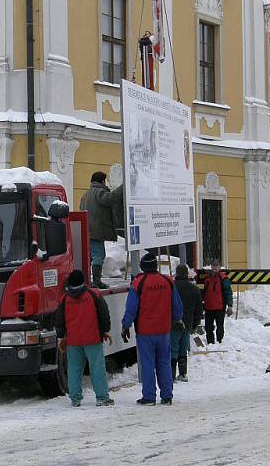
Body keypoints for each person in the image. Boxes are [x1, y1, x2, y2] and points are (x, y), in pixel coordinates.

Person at [121, 252, 184, 406]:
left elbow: (131, 308)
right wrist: (177, 318)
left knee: (147, 364)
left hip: (145, 332)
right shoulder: (167, 281)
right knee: (164, 362)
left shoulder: (138, 283)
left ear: (143, 267)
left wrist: (126, 325)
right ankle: (167, 395)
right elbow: (177, 307)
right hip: (164, 331)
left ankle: (149, 396)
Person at [54, 270, 114, 407]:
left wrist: (61, 337)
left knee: (74, 369)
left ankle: (75, 399)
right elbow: (104, 314)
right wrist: (105, 330)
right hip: (92, 339)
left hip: (73, 341)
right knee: (97, 368)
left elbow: (59, 321)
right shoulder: (93, 294)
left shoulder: (65, 299)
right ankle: (102, 397)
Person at [79, 172, 124, 289]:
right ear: (102, 181)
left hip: (87, 230)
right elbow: (111, 198)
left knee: (90, 256)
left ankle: (86, 280)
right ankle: (97, 281)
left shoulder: (86, 194)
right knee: (99, 255)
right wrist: (123, 187)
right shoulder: (99, 193)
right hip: (96, 232)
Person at [171, 264, 203, 382]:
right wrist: (194, 324)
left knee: (173, 349)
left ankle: (171, 375)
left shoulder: (172, 287)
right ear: (187, 274)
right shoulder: (194, 288)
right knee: (183, 349)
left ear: (177, 273)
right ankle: (183, 374)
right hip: (187, 324)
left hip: (173, 324)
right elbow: (199, 309)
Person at [201, 261, 233, 344]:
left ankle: (220, 342)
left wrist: (230, 305)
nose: (214, 267)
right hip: (208, 307)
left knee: (220, 327)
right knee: (208, 328)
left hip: (220, 307)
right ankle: (210, 343)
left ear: (219, 267)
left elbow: (228, 292)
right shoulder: (208, 278)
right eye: (213, 265)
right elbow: (204, 292)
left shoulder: (223, 278)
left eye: (216, 265)